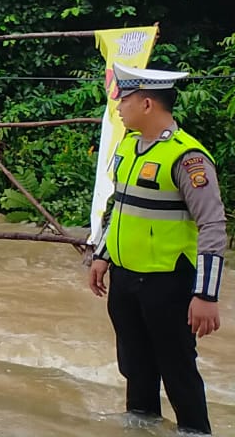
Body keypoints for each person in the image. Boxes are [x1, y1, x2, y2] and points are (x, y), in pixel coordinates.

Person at [87, 64, 225, 435]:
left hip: (168, 282)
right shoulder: (128, 146)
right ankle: (141, 425)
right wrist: (101, 255)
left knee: (177, 368)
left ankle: (195, 431)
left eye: (124, 99)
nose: (117, 106)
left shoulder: (188, 158)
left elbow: (212, 225)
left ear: (147, 104)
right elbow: (119, 205)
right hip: (125, 276)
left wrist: (206, 295)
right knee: (135, 364)